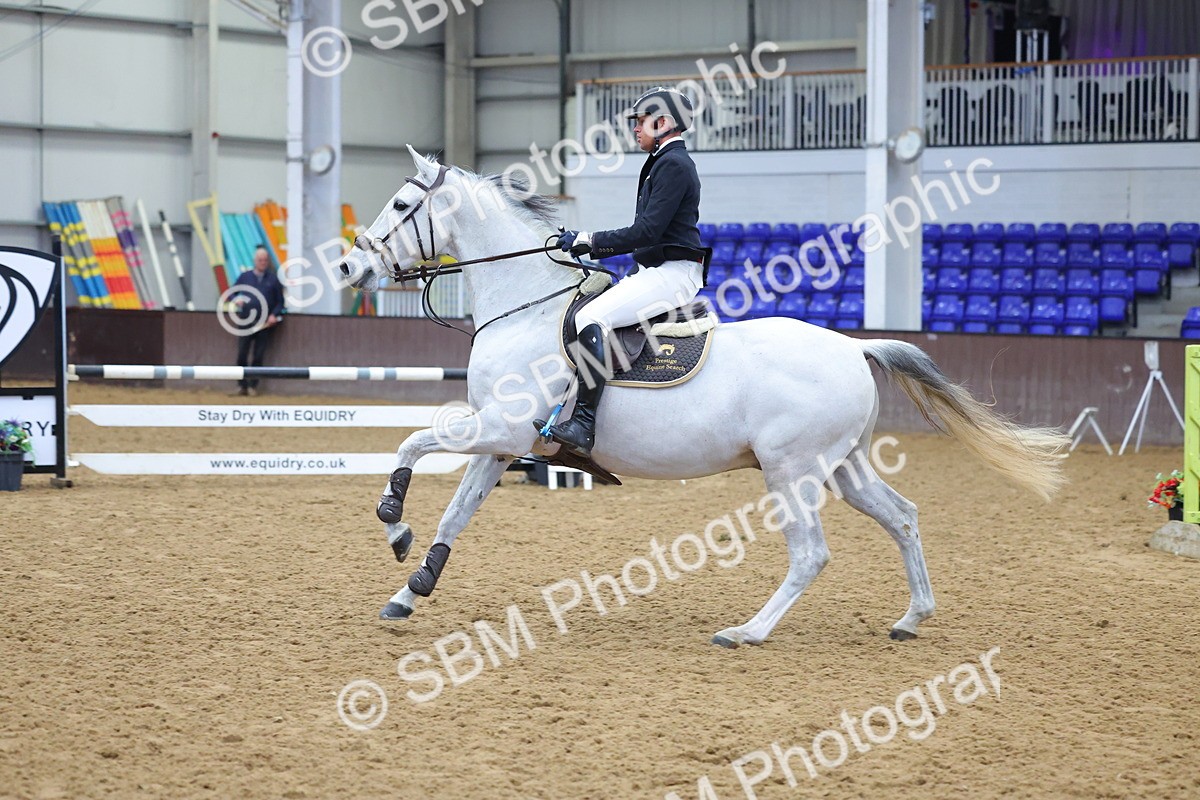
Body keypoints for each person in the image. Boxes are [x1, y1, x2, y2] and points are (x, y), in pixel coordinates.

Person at [546, 87, 707, 458]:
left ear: (663, 122)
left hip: (673, 273)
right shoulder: (662, 161)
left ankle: (584, 423)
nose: (635, 129)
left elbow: (646, 232)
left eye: (640, 122)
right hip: (655, 269)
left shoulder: (674, 164)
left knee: (591, 316)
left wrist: (588, 239)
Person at [230, 245, 285, 396]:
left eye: (265, 260)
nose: (263, 262)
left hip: (264, 324)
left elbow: (280, 302)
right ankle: (242, 385)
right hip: (245, 322)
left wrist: (274, 314)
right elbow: (232, 293)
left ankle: (253, 385)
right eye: (260, 260)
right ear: (255, 261)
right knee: (242, 353)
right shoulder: (245, 277)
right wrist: (236, 299)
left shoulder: (273, 280)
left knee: (258, 356)